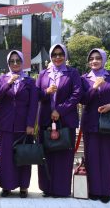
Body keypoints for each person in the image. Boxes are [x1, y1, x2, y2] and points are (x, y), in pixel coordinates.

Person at [80, 48, 110, 203]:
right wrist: (94, 87)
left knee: (108, 158)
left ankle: (106, 191)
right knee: (92, 157)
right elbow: (83, 100)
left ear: (103, 59)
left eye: (98, 58)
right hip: (91, 124)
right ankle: (94, 190)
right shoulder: (84, 78)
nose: (94, 61)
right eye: (91, 58)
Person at [36, 43, 82, 197]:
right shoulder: (43, 74)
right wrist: (46, 91)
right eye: (54, 54)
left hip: (66, 121)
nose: (57, 57)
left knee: (63, 155)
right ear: (50, 56)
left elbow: (76, 95)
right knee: (47, 154)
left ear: (65, 56)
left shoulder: (72, 73)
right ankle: (47, 188)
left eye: (60, 54)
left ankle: (61, 189)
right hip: (45, 120)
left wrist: (60, 110)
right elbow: (36, 95)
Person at [0, 50, 38, 198]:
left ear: (22, 62)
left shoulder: (30, 81)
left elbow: (33, 105)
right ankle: (6, 186)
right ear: (8, 63)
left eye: (18, 61)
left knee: (23, 155)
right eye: (12, 61)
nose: (15, 63)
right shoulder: (1, 79)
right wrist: (9, 83)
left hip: (23, 124)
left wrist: (30, 124)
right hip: (4, 124)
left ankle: (23, 186)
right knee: (5, 156)